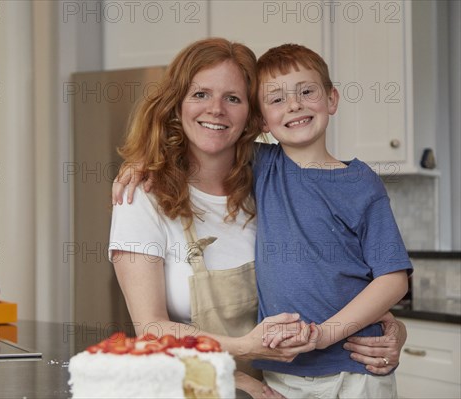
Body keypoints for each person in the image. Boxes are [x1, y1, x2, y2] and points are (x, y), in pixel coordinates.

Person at [110, 38, 408, 398]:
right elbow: (151, 330)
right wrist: (245, 352)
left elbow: (362, 278)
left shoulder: (263, 179)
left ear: (251, 116)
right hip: (204, 386)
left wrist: (390, 328)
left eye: (233, 98)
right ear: (176, 104)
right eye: (200, 94)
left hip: (303, 376)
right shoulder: (143, 195)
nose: (216, 110)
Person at [244, 43, 412, 398]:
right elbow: (193, 142)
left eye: (307, 91)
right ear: (260, 119)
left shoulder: (361, 182)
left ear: (331, 100)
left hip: (358, 371)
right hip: (283, 374)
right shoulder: (261, 166)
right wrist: (139, 164)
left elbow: (393, 280)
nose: (294, 105)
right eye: (275, 99)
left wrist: (325, 334)